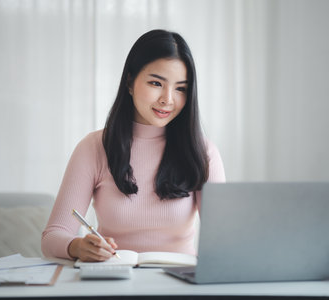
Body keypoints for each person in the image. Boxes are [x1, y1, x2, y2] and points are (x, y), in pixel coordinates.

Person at [41, 29, 226, 262]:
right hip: (115, 281)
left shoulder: (203, 152)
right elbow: (52, 237)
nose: (167, 99)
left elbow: (224, 239)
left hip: (180, 284)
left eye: (180, 88)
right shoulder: (94, 147)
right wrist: (78, 246)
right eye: (156, 83)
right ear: (130, 82)